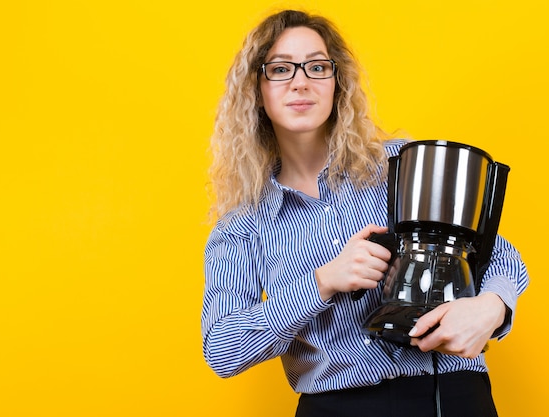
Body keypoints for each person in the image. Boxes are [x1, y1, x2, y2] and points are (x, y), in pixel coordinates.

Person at [201, 9, 528, 417]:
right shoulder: (242, 226)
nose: (301, 81)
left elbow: (501, 257)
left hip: (450, 395)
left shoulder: (400, 167)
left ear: (337, 83)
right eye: (281, 69)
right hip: (336, 406)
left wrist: (492, 306)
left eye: (317, 67)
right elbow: (222, 350)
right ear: (256, 89)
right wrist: (321, 282)